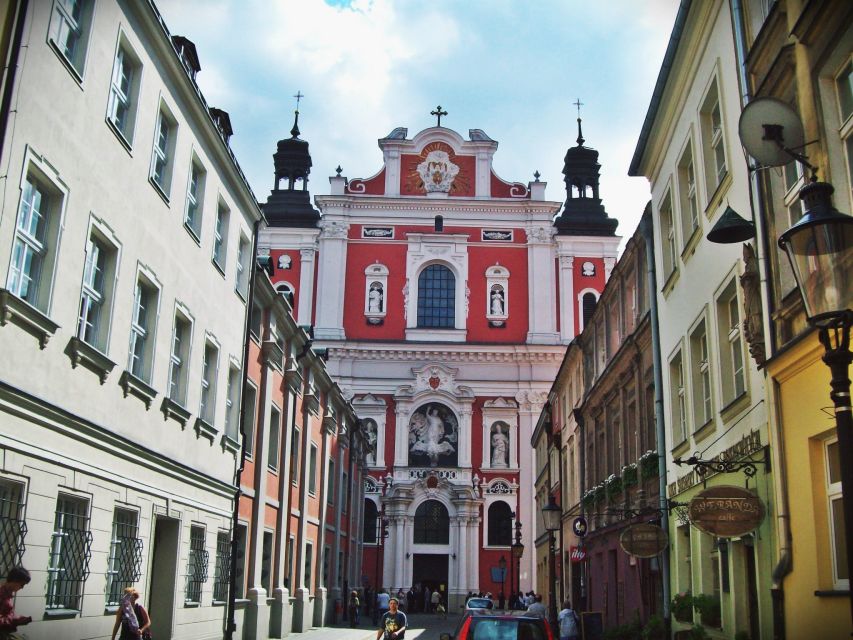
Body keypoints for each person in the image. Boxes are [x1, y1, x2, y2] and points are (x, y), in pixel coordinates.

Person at [0, 566, 32, 640]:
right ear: (15, 580)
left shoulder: (8, 594)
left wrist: (17, 619)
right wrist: (15, 620)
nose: (22, 587)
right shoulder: (2, 594)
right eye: (22, 584)